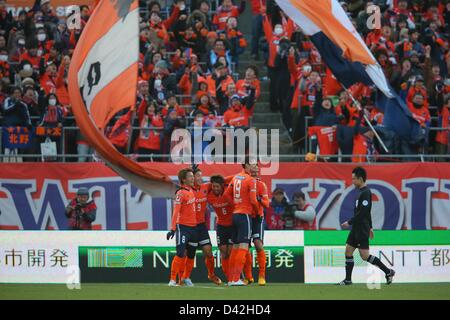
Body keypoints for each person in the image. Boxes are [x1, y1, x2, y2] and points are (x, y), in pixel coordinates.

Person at [339, 167, 395, 285]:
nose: (352, 181)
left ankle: (388, 271)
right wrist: (371, 227)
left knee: (364, 256)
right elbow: (367, 212)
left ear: (360, 179)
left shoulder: (366, 193)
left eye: (354, 179)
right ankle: (348, 280)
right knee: (348, 251)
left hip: (361, 228)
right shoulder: (360, 193)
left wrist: (349, 222)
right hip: (357, 228)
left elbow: (363, 213)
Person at [224, 161, 259, 286]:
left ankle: (231, 279)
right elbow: (254, 200)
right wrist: (258, 212)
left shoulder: (236, 177)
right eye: (253, 164)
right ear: (247, 165)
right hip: (245, 215)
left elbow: (226, 194)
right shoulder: (250, 180)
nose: (255, 166)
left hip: (235, 214)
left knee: (235, 247)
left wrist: (236, 205)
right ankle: (236, 279)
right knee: (244, 247)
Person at [191, 166, 223, 285]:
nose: (201, 178)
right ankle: (181, 277)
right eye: (198, 175)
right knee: (185, 254)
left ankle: (211, 274)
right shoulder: (186, 190)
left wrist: (238, 178)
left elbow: (218, 182)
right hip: (188, 226)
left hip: (201, 226)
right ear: (191, 177)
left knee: (209, 252)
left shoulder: (206, 187)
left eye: (201, 175)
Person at [167, 168, 198, 287]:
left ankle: (186, 278)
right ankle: (172, 280)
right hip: (183, 227)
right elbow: (176, 212)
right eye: (190, 176)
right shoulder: (180, 193)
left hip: (193, 228)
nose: (193, 178)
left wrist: (192, 169)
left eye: (193, 176)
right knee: (180, 253)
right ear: (183, 180)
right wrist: (172, 228)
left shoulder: (191, 191)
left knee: (191, 254)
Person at [244, 163, 269, 286]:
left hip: (257, 218)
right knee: (245, 247)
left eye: (256, 171)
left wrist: (258, 199)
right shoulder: (245, 183)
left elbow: (266, 203)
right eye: (252, 171)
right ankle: (248, 276)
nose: (254, 173)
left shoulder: (261, 185)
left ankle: (262, 275)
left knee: (258, 244)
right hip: (246, 217)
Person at [207, 175, 234, 283]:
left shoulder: (228, 191)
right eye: (213, 186)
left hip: (232, 225)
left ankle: (236, 276)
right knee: (223, 252)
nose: (215, 189)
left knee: (231, 252)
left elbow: (236, 177)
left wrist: (224, 180)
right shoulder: (209, 195)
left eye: (218, 186)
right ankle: (229, 278)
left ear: (222, 186)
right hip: (221, 226)